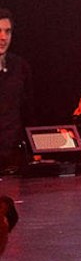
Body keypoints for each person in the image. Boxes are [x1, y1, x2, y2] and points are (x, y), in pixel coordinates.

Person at [0, 10, 26, 175]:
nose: (3, 37)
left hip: (12, 158)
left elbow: (28, 110)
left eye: (7, 31)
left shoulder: (20, 66)